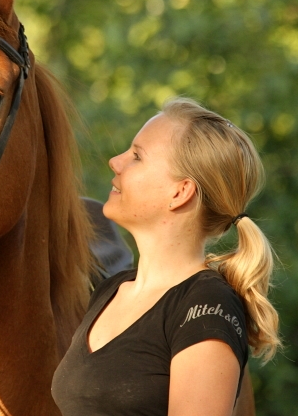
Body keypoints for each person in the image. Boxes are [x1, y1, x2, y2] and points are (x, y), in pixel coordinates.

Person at [52, 97, 281, 416]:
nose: (116, 161)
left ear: (180, 192)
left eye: (137, 156)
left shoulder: (206, 306)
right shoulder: (110, 291)